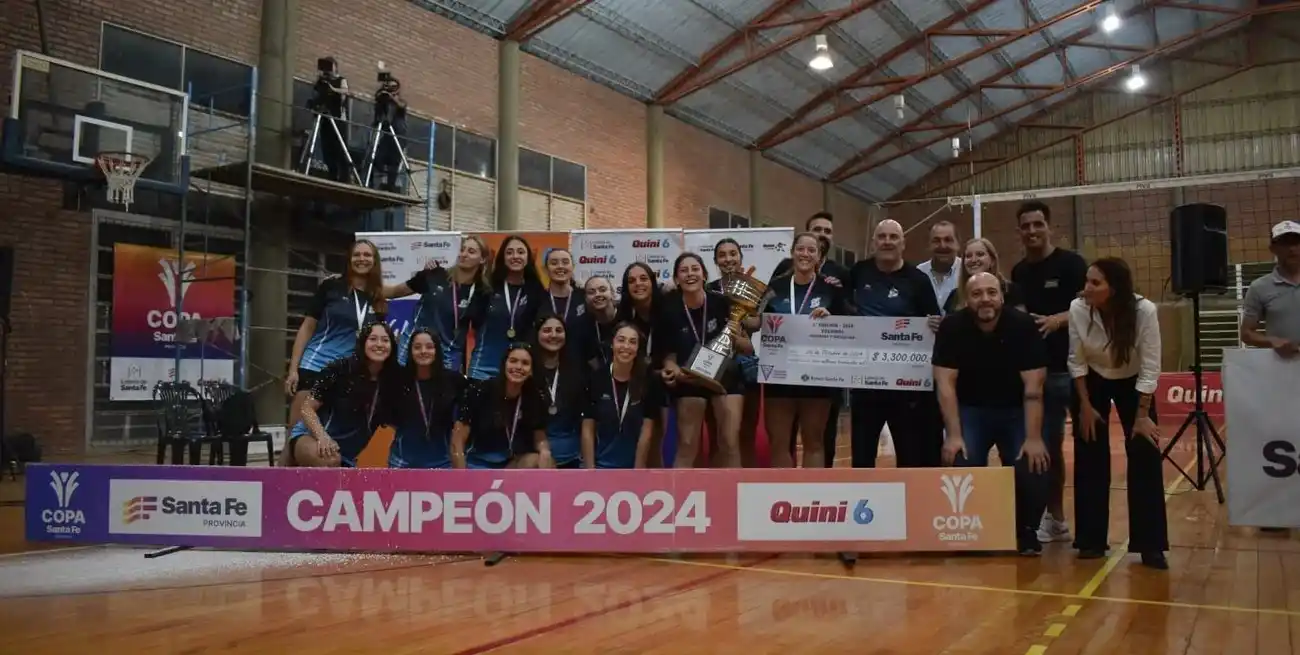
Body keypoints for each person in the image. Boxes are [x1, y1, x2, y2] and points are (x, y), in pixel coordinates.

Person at [933, 273, 1052, 555]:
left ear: (1001, 296)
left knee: (1033, 462)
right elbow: (945, 384)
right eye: (976, 294)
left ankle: (1026, 531)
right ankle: (973, 530)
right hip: (971, 410)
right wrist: (954, 435)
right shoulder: (952, 326)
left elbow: (1034, 387)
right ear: (967, 298)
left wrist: (1033, 438)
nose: (985, 299)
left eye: (991, 292)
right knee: (959, 459)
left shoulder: (1023, 326)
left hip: (1016, 410)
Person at [1068, 257, 1168, 568]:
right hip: (1093, 380)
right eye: (1086, 281)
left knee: (1144, 450)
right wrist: (1084, 406)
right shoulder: (1078, 308)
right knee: (1089, 451)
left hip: (1135, 381)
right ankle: (1091, 540)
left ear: (1115, 288)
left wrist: (1141, 415)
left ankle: (1150, 545)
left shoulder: (1144, 311)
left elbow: (1151, 368)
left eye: (1095, 283)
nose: (1087, 288)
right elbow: (1076, 360)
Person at [1010, 201, 1089, 545]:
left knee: (1089, 448)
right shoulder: (1018, 273)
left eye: (1037, 224)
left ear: (1049, 227)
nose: (1031, 231)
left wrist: (1057, 319)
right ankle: (1056, 519)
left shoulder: (1071, 264)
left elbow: (1090, 305)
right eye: (1025, 226)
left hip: (1077, 369)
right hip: (1040, 374)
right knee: (1050, 449)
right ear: (1019, 232)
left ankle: (1091, 525)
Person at [844, 219, 943, 468]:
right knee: (862, 458)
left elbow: (934, 322)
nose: (887, 241)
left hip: (906, 387)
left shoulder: (918, 280)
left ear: (903, 243)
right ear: (874, 242)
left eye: (893, 237)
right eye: (882, 236)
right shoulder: (858, 272)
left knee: (910, 456)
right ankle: (863, 505)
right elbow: (842, 309)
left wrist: (935, 324)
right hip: (866, 383)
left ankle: (909, 506)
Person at [762, 232, 846, 468]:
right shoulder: (774, 287)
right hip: (779, 373)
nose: (805, 254)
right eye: (801, 249)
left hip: (817, 374)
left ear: (819, 257)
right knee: (779, 443)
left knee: (814, 442)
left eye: (812, 250)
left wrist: (832, 317)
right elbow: (756, 322)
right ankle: (783, 496)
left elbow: (850, 323)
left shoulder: (831, 289)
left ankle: (811, 497)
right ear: (792, 252)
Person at [660, 252, 751, 469]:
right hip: (690, 377)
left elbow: (747, 348)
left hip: (725, 377)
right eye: (684, 270)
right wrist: (671, 369)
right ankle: (679, 498)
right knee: (688, 443)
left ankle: (732, 497)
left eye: (695, 269)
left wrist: (735, 337)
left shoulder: (723, 303)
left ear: (704, 275)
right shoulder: (669, 310)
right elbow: (669, 357)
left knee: (728, 442)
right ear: (676, 279)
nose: (690, 274)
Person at [285, 240, 387, 432]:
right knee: (297, 431)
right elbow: (307, 328)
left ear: (375, 261)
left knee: (330, 432)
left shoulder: (377, 298)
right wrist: (293, 370)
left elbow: (405, 288)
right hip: (315, 366)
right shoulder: (331, 286)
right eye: (357, 254)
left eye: (367, 255)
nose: (361, 259)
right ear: (349, 259)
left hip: (346, 374)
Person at [1239, 219, 1300, 534]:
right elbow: (1247, 333)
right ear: (1273, 248)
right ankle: (1277, 512)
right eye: (1285, 242)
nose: (1293, 247)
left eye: (1297, 241)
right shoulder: (1261, 288)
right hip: (1281, 377)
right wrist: (1272, 342)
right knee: (1282, 442)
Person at [288, 320, 400, 467]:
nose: (379, 344)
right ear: (362, 343)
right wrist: (322, 437)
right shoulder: (338, 369)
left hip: (346, 456)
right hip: (312, 438)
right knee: (330, 460)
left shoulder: (391, 382)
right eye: (373, 339)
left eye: (385, 340)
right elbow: (306, 408)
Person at [384, 235, 490, 372]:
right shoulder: (435, 275)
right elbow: (394, 292)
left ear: (482, 259)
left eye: (471, 251)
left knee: (442, 393)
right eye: (462, 249)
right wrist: (364, 285)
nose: (464, 254)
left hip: (447, 355)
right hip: (411, 348)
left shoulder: (481, 293)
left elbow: (478, 333)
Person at [451, 344, 554, 469]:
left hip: (510, 465)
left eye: (525, 363)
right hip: (477, 465)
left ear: (531, 370)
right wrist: (461, 478)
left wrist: (544, 450)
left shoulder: (533, 397)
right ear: (504, 364)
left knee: (542, 460)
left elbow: (540, 437)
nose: (518, 367)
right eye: (513, 361)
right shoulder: (479, 392)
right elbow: (457, 441)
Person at [705, 238, 761, 468]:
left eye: (732, 254)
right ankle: (719, 489)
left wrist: (740, 312)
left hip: (746, 361)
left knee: (746, 433)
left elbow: (757, 322)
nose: (728, 259)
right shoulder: (708, 289)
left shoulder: (752, 287)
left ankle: (746, 487)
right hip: (715, 365)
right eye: (722, 255)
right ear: (716, 261)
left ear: (740, 257)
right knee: (720, 435)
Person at [582, 322, 661, 468]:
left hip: (633, 468)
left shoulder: (648, 382)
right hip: (600, 467)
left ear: (638, 349)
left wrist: (637, 473)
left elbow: (646, 432)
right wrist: (590, 472)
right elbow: (588, 429)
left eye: (632, 342)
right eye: (621, 340)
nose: (626, 346)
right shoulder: (596, 378)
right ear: (612, 344)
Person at [468, 236, 545, 380]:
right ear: (503, 257)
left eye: (520, 252)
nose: (515, 256)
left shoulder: (536, 292)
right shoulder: (486, 288)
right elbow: (473, 325)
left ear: (528, 257)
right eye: (509, 252)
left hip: (518, 371)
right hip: (483, 368)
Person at [617, 261, 670, 466]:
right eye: (631, 281)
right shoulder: (624, 316)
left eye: (643, 279)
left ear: (652, 282)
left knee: (665, 442)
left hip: (667, 383)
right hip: (638, 384)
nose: (638, 284)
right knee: (643, 442)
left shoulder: (668, 308)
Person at [388, 328, 465, 469]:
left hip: (442, 464)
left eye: (429, 347)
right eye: (417, 347)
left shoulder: (454, 381)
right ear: (410, 352)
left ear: (437, 351)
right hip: (402, 463)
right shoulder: (398, 381)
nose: (423, 351)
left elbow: (461, 422)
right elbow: (392, 421)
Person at [532, 314, 589, 469]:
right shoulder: (528, 372)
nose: (553, 335)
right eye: (547, 330)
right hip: (539, 455)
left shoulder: (577, 372)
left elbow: (585, 421)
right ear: (537, 334)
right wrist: (544, 450)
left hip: (574, 457)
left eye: (559, 330)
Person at [942, 238, 1024, 315]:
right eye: (968, 256)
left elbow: (1021, 323)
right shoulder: (955, 296)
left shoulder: (1011, 291)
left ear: (992, 261)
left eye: (980, 254)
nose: (973, 260)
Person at [570, 275, 618, 367]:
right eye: (591, 292)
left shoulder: (626, 316)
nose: (597, 294)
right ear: (586, 299)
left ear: (612, 293)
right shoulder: (583, 326)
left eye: (602, 290)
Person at [918, 221, 962, 311]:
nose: (942, 245)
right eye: (936, 241)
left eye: (948, 240)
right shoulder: (918, 273)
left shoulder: (967, 271)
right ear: (929, 245)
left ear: (958, 244)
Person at [543, 247, 583, 327]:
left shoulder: (584, 297)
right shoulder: (537, 298)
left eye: (565, 262)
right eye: (554, 263)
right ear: (546, 269)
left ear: (573, 267)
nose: (560, 266)